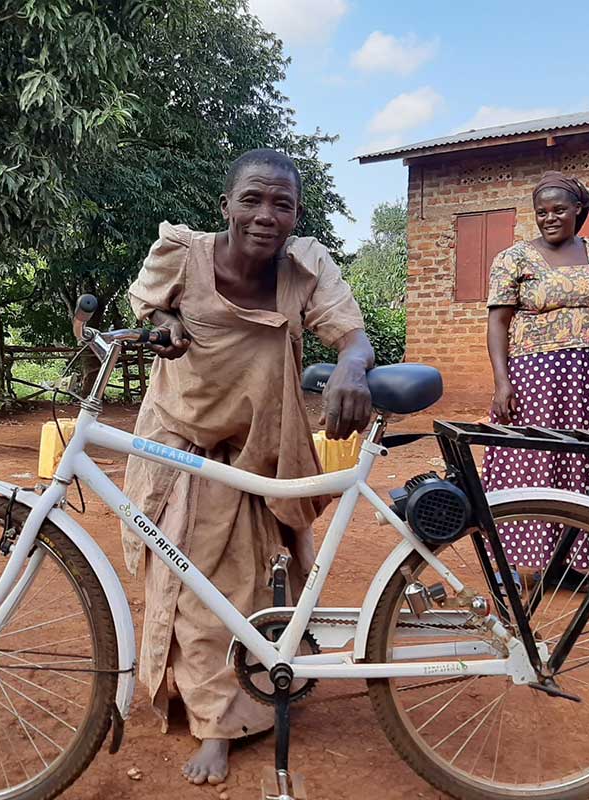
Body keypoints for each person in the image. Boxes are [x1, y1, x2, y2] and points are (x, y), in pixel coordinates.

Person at [122, 148, 375, 784]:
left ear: (295, 214)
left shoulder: (304, 267)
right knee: (196, 585)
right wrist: (164, 319)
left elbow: (352, 335)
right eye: (253, 199)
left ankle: (233, 707)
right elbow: (145, 304)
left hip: (262, 448)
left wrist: (350, 364)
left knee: (245, 586)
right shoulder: (184, 254)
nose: (267, 215)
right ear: (226, 205)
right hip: (182, 440)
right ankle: (213, 711)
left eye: (282, 203)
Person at [481, 172, 589, 581]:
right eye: (542, 212)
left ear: (578, 210)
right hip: (531, 375)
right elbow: (497, 323)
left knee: (580, 464)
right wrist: (502, 382)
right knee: (528, 463)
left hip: (586, 376)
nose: (550, 218)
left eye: (559, 210)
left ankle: (570, 562)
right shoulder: (513, 258)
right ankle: (513, 561)